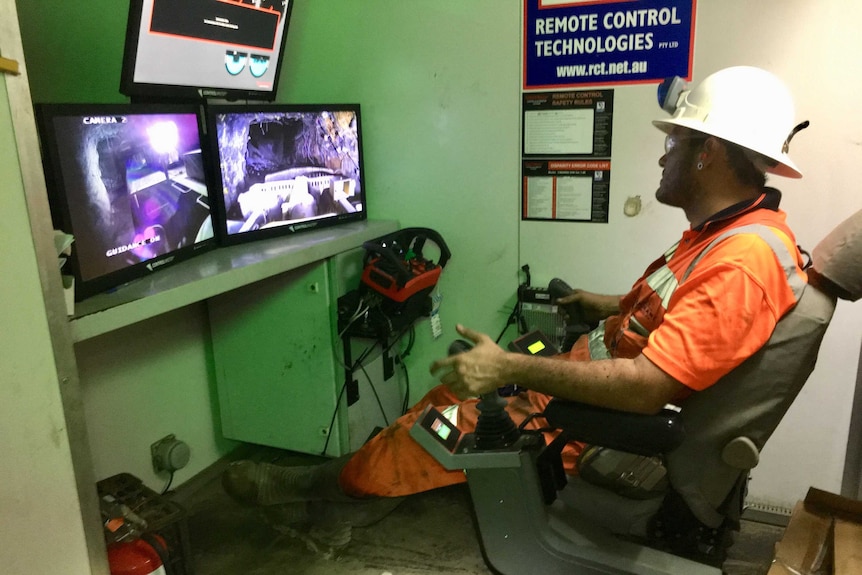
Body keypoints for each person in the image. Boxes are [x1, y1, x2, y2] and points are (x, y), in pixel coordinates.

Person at [222, 65, 809, 541]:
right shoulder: (732, 236)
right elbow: (669, 315)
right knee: (450, 393)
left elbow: (648, 386)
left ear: (707, 153)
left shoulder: (742, 263)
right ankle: (357, 489)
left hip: (592, 421)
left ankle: (323, 486)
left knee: (431, 430)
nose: (663, 156)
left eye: (674, 140)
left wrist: (512, 367)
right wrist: (595, 305)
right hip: (578, 376)